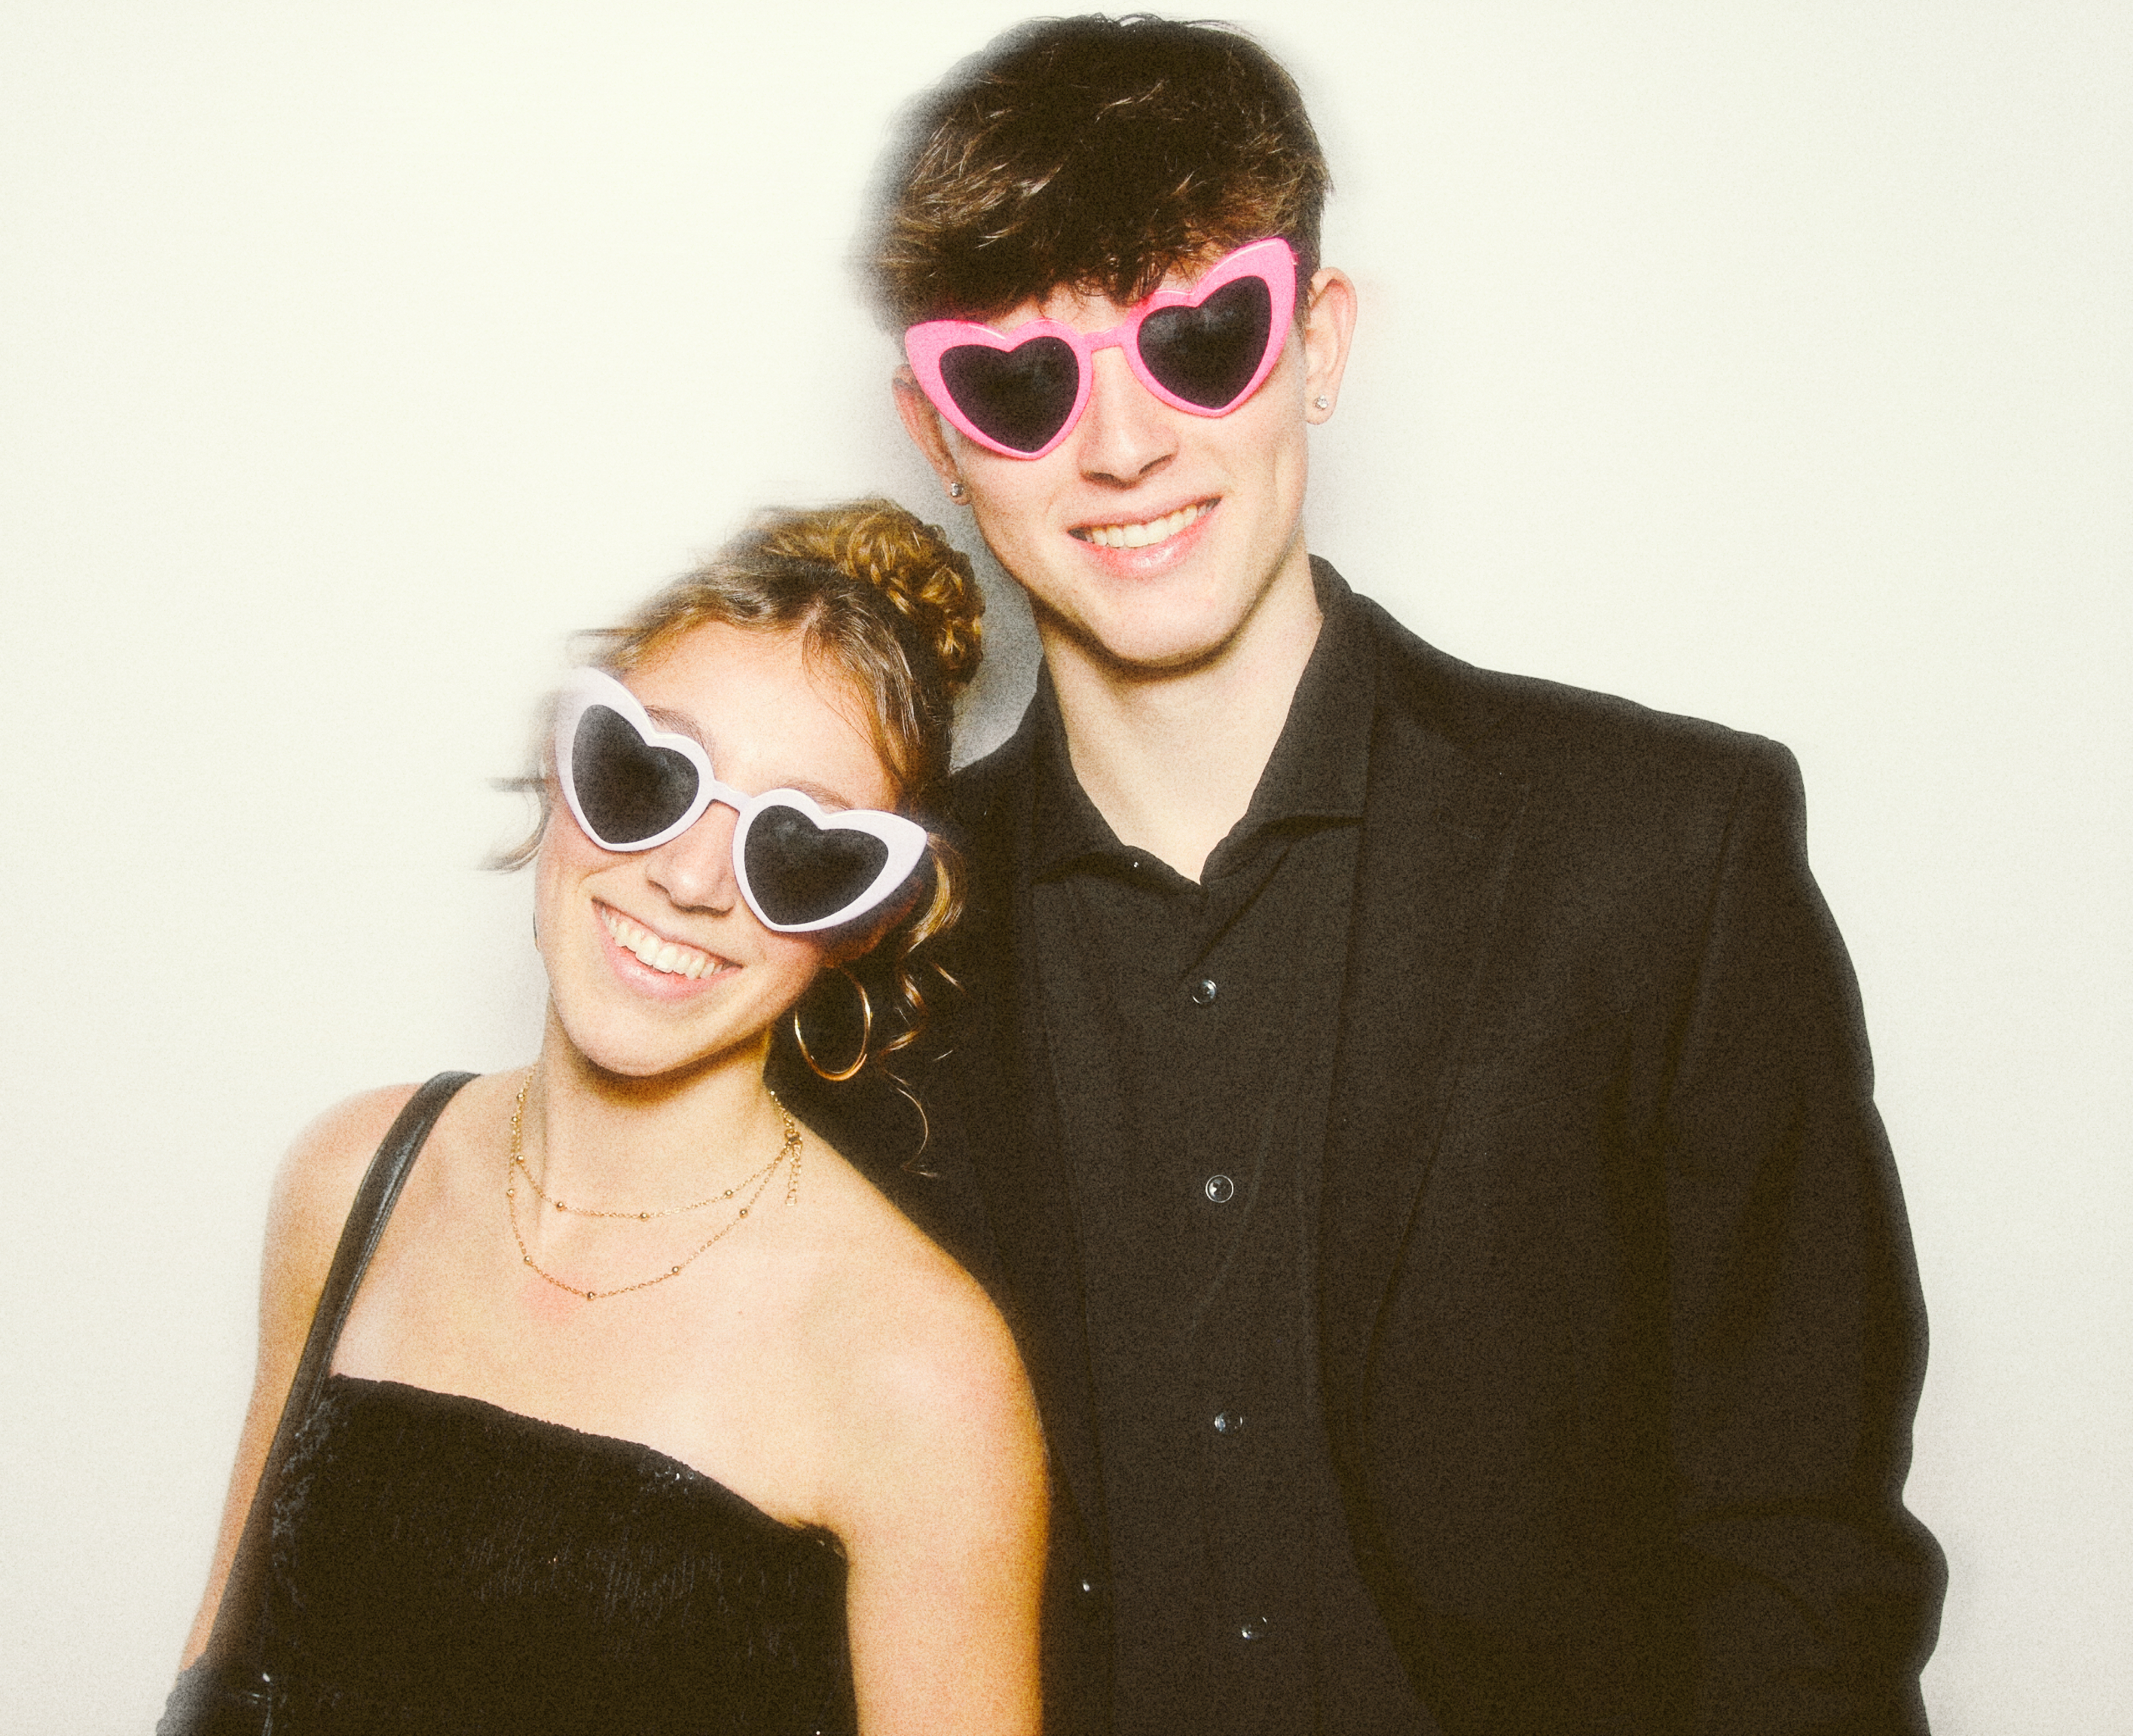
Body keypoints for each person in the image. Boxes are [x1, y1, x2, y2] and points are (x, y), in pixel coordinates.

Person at [801, 15, 1946, 1734]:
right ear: (935, 432)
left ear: (1318, 341)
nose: (1120, 448)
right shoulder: (860, 936)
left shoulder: (1664, 854)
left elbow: (1799, 1568)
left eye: (1200, 339)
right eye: (1023, 381)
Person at [164, 502, 1046, 1735]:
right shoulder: (356, 1179)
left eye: (798, 851)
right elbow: (218, 1686)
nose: (687, 879)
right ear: (563, 765)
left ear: (869, 919)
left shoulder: (916, 1370)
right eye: (647, 776)